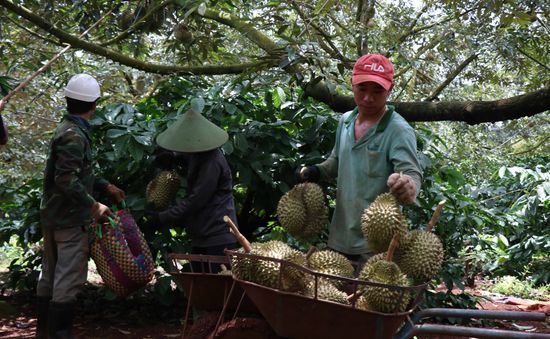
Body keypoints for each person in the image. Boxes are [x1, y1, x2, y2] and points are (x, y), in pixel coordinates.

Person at [296, 53, 422, 262]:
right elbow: (337, 161)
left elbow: (411, 172)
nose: (368, 98)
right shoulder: (346, 120)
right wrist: (315, 171)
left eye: (378, 90)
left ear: (389, 90)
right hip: (338, 238)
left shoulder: (398, 130)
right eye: (362, 88)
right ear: (352, 84)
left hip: (374, 245)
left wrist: (409, 187)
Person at [36, 74, 125, 339]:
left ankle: (44, 333)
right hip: (69, 219)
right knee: (67, 280)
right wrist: (93, 205)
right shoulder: (75, 135)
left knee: (50, 276)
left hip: (54, 215)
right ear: (94, 104)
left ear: (67, 100)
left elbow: (74, 173)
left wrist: (104, 186)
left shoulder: (66, 128)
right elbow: (66, 179)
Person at [146, 108, 237, 273]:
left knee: (217, 286)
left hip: (217, 234)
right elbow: (188, 156)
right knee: (202, 286)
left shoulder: (212, 163)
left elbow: (196, 200)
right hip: (202, 233)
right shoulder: (200, 153)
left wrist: (163, 218)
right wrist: (173, 156)